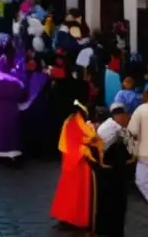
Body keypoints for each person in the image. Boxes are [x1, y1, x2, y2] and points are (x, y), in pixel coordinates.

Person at [50, 99, 101, 230]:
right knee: (75, 192)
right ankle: (73, 218)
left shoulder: (74, 120)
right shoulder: (74, 122)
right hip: (77, 162)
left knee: (71, 192)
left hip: (76, 162)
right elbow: (79, 140)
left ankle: (71, 218)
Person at [92, 104, 135, 237]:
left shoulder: (108, 126)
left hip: (105, 173)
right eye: (126, 117)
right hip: (114, 173)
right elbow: (130, 152)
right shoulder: (117, 130)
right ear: (120, 116)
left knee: (104, 204)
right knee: (115, 206)